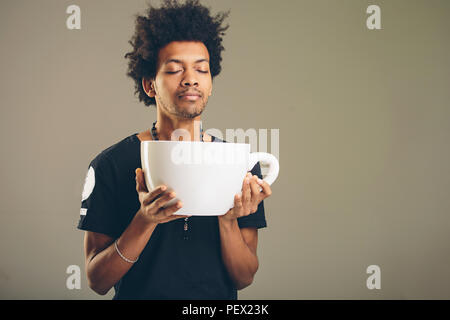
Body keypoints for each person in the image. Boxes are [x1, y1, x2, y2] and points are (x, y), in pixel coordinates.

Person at [77, 0, 273, 300]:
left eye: (202, 69)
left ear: (210, 83)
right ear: (149, 85)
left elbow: (244, 277)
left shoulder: (240, 165)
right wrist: (145, 220)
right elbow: (97, 281)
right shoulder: (110, 165)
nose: (191, 78)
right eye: (174, 69)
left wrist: (227, 218)